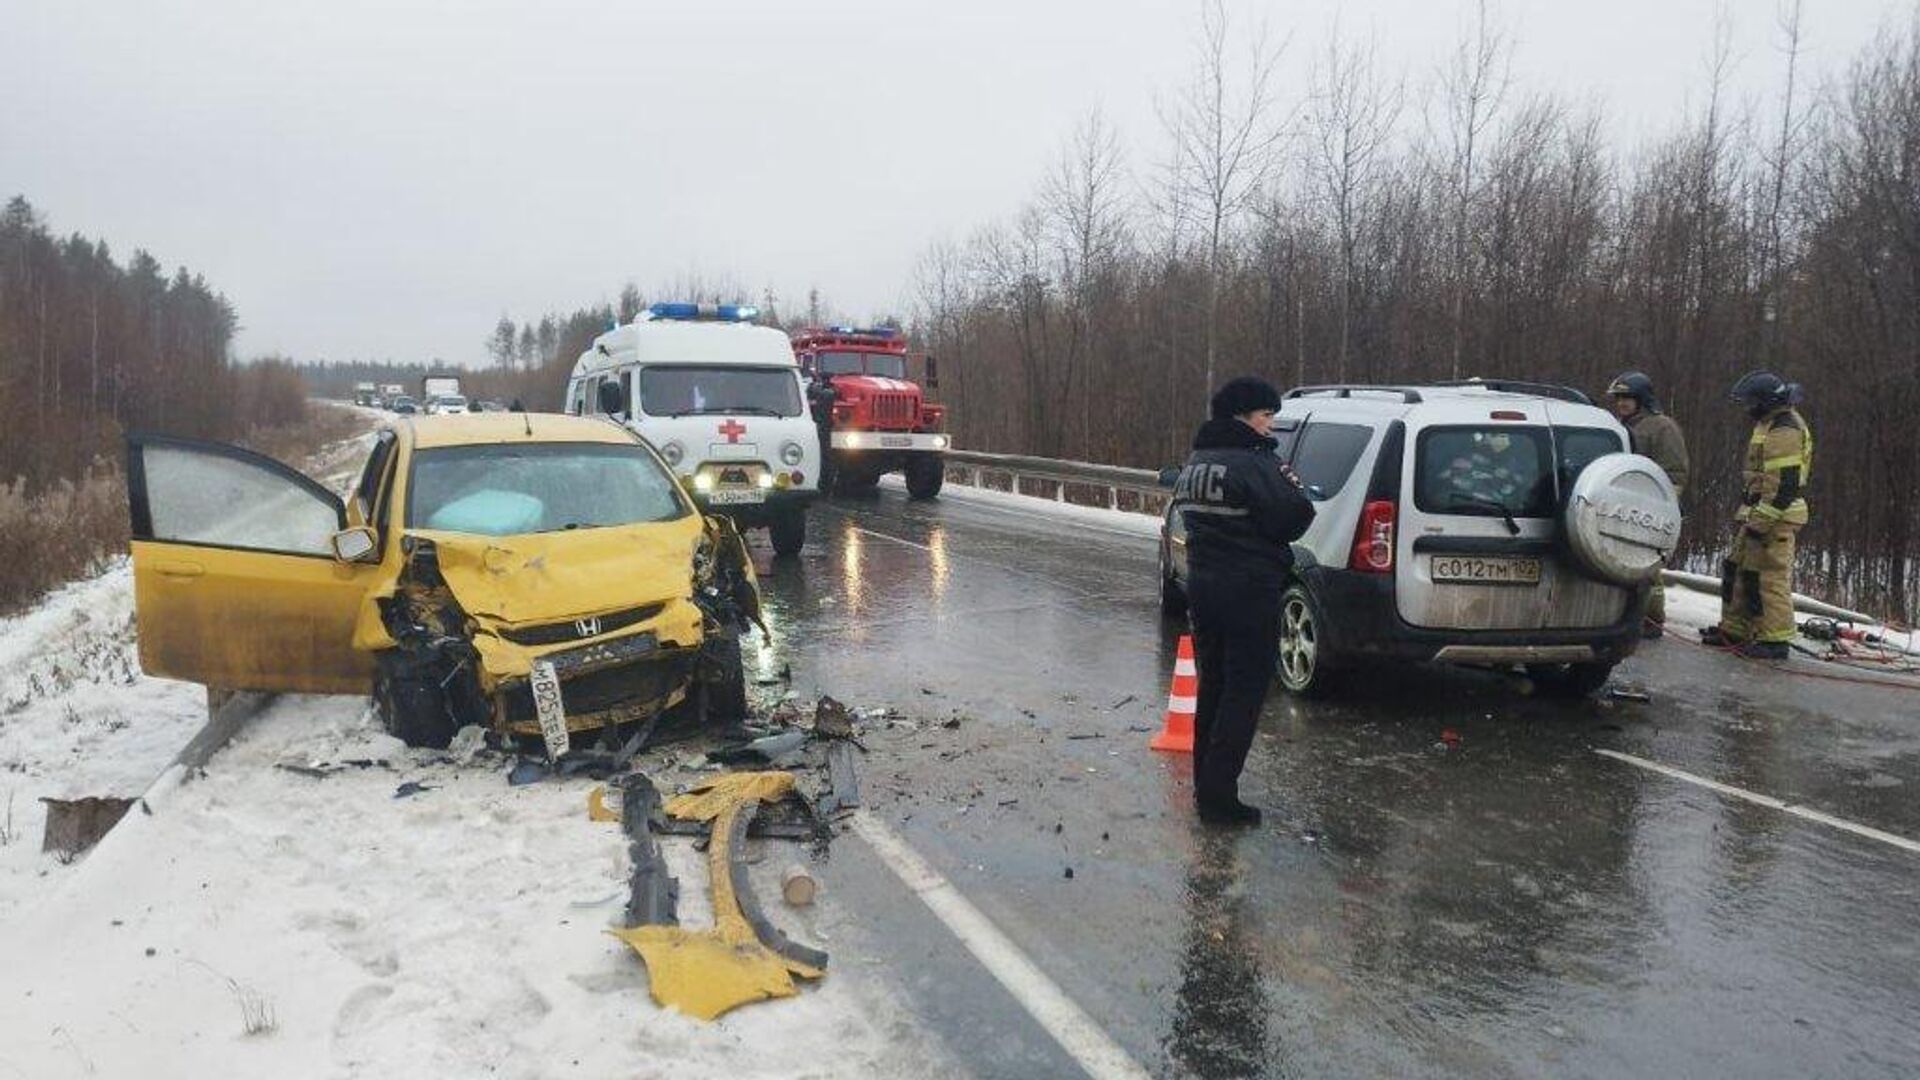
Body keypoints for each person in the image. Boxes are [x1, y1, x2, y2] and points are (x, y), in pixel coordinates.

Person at [1170, 377, 1316, 826]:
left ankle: (1205, 787)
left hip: (1204, 586)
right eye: (1265, 416)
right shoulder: (1253, 463)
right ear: (1244, 416)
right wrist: (1292, 487)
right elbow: (1294, 517)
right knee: (1243, 693)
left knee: (1213, 688)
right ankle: (1219, 798)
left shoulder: (1198, 461)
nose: (1270, 425)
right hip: (1249, 588)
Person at [1702, 371, 1812, 660]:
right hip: (1758, 510)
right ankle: (1734, 629)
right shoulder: (1769, 423)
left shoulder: (1784, 429)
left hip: (1776, 515)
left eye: (1751, 403)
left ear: (1766, 401)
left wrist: (1761, 522)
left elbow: (1783, 484)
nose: (1747, 408)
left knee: (1768, 577)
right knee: (1737, 568)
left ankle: (1775, 640)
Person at [1607, 371, 1690, 637]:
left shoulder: (1662, 427)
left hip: (1650, 507)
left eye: (1628, 398)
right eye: (1619, 398)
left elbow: (1675, 472)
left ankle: (1651, 620)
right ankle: (1624, 617)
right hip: (1619, 506)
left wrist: (1662, 506)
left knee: (1647, 568)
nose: (1622, 403)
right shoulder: (1618, 427)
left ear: (1642, 399)